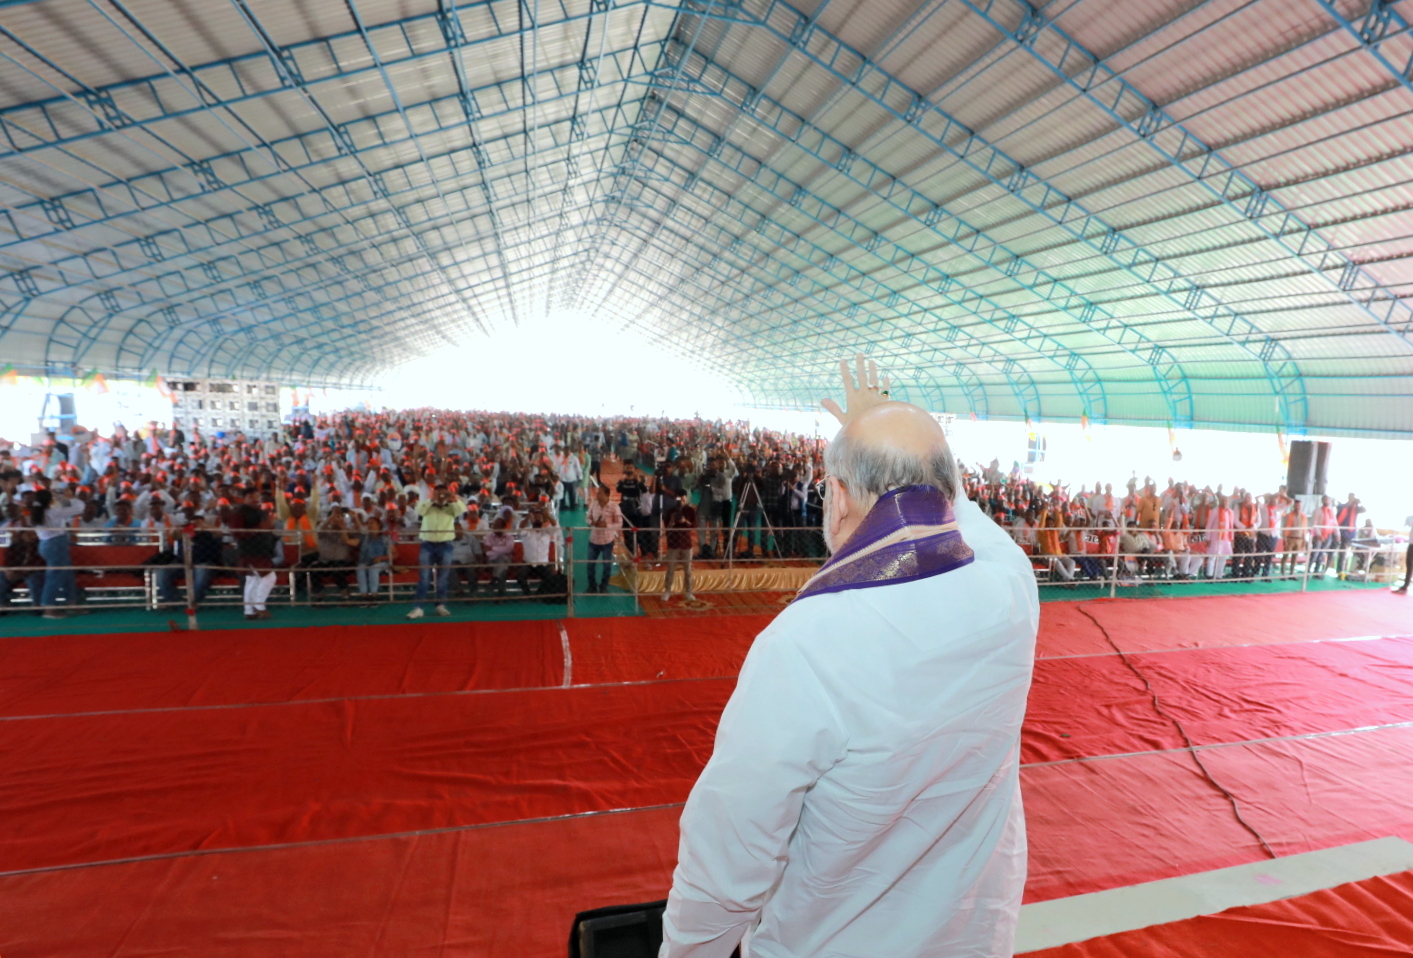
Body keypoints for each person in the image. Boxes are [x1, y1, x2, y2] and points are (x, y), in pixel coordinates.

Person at [661, 356, 1038, 958]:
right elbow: (958, 508)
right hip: (971, 939)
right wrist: (891, 430)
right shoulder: (1011, 588)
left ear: (834, 496)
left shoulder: (806, 642)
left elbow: (731, 854)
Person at [407, 483, 465, 619]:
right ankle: (419, 608)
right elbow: (419, 511)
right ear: (433, 494)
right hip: (427, 544)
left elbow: (461, 510)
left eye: (443, 493)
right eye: (438, 493)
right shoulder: (426, 505)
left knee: (443, 578)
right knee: (424, 578)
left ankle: (440, 605)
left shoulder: (451, 507)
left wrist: (453, 498)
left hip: (446, 545)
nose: (441, 496)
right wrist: (432, 500)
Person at [31, 488, 85, 619]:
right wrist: (67, 498)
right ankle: (48, 607)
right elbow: (79, 507)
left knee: (66, 573)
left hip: (46, 544)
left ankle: (71, 603)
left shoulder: (37, 513)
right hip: (56, 544)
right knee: (55, 575)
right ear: (50, 500)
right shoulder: (52, 512)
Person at [661, 486, 696, 602]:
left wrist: (685, 521)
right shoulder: (670, 511)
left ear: (686, 499)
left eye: (682, 498)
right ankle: (667, 591)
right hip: (673, 544)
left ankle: (689, 591)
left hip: (686, 543)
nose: (680, 501)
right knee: (670, 569)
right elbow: (667, 528)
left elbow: (694, 526)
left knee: (688, 570)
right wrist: (672, 520)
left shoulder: (690, 510)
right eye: (678, 499)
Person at [585, 484, 621, 594]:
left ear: (607, 495)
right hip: (594, 540)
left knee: (607, 566)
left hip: (607, 541)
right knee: (590, 565)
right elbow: (587, 517)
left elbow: (619, 523)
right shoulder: (593, 504)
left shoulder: (614, 507)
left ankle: (603, 586)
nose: (597, 495)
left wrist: (606, 526)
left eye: (599, 493)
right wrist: (593, 523)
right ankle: (592, 585)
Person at [354, 514, 392, 604]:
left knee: (373, 569)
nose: (369, 525)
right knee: (360, 568)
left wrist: (381, 557)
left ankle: (374, 595)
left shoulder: (385, 538)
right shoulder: (364, 538)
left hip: (382, 562)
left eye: (372, 523)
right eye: (368, 523)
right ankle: (364, 595)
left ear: (379, 525)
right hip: (366, 561)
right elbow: (349, 542)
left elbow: (395, 554)